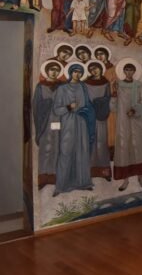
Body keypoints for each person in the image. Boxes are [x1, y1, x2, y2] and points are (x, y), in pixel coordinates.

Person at [52, 63, 96, 196]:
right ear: (70, 73)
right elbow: (56, 110)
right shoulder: (62, 89)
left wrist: (87, 111)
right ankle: (61, 186)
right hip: (68, 123)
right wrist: (68, 107)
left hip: (82, 123)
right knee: (66, 151)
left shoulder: (83, 87)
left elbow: (88, 105)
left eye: (80, 72)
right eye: (75, 72)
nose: (77, 74)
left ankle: (84, 183)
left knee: (82, 151)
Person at [111, 62, 142, 191]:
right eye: (126, 70)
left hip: (136, 121)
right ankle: (125, 180)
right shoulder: (118, 85)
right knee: (124, 149)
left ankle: (141, 177)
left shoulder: (138, 85)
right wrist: (114, 94)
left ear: (134, 72)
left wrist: (134, 110)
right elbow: (113, 107)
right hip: (123, 122)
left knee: (138, 148)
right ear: (123, 71)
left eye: (131, 70)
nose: (129, 72)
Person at [33, 60, 62, 188]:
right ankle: (43, 176)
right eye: (52, 69)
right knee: (45, 148)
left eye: (57, 70)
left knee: (57, 147)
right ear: (47, 71)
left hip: (59, 120)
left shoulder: (62, 86)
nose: (54, 72)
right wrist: (48, 103)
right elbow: (36, 105)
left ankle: (54, 176)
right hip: (45, 121)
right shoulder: (41, 86)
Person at [84, 61, 112, 180]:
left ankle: (104, 172)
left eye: (96, 68)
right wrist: (90, 107)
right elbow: (83, 98)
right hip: (89, 116)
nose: (94, 71)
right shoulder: (85, 83)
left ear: (101, 69)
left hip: (101, 115)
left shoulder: (106, 83)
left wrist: (99, 104)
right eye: (91, 69)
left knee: (102, 142)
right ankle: (88, 172)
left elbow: (108, 98)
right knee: (89, 142)